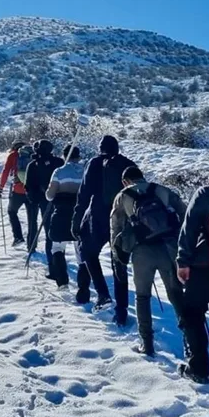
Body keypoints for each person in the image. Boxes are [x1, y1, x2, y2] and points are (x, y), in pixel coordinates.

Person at [111, 166, 187, 356]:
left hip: (142, 252)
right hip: (168, 249)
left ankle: (147, 343)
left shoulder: (123, 195)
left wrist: (118, 254)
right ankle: (190, 341)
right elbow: (185, 213)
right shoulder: (161, 190)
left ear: (125, 181)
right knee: (176, 295)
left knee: (142, 297)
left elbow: (116, 226)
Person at [71, 135, 135, 324]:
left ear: (100, 148)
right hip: (122, 217)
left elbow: (83, 194)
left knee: (88, 252)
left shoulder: (94, 163)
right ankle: (122, 311)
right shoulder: (127, 164)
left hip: (97, 216)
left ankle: (102, 293)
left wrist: (76, 220)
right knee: (119, 263)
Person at [175, 166, 209, 384]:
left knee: (192, 313)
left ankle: (198, 368)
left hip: (206, 263)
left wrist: (183, 261)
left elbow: (189, 228)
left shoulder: (205, 193)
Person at [44, 145, 84, 289]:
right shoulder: (85, 171)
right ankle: (83, 285)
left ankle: (62, 281)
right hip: (80, 215)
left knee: (57, 247)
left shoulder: (59, 172)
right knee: (81, 251)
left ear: (64, 156)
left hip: (61, 214)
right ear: (78, 157)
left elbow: (49, 196)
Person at [24, 139, 64, 279]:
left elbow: (28, 187)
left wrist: (34, 200)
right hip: (60, 202)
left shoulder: (33, 165)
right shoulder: (58, 162)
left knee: (50, 234)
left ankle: (53, 266)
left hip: (45, 202)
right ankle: (57, 263)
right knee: (56, 234)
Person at [0, 141, 34, 248]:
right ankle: (31, 244)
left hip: (18, 190)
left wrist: (1, 187)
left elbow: (5, 171)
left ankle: (18, 237)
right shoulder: (33, 155)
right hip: (32, 191)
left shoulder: (13, 155)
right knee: (32, 218)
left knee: (12, 211)